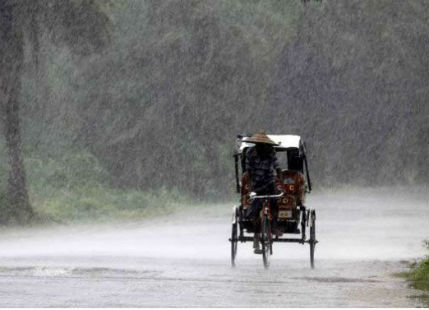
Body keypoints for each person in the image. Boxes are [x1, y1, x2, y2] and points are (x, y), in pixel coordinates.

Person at [244, 130, 282, 253]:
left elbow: (277, 167)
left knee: (275, 204)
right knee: (254, 211)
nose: (261, 147)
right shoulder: (250, 153)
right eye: (259, 144)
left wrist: (281, 183)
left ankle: (274, 226)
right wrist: (250, 188)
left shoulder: (270, 152)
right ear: (256, 144)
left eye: (263, 145)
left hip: (269, 183)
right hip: (256, 185)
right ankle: (256, 236)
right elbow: (248, 172)